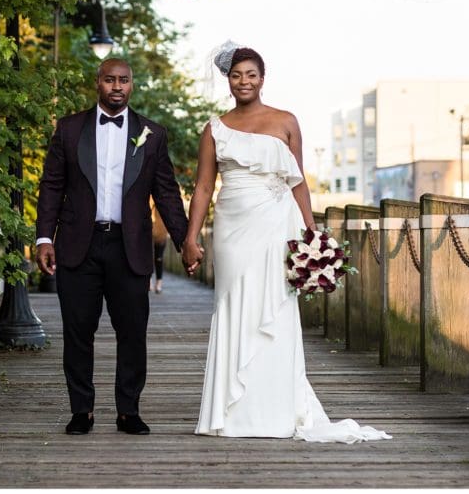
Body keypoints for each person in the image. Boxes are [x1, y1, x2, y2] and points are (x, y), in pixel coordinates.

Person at [184, 44, 391, 443]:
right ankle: (230, 412)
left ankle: (274, 411)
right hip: (233, 228)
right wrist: (192, 237)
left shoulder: (286, 121)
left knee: (275, 313)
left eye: (251, 74)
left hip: (277, 225)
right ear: (228, 80)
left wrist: (312, 237)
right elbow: (204, 186)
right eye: (236, 75)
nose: (244, 81)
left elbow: (298, 182)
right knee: (235, 308)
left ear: (263, 77)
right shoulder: (214, 128)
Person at [35, 58, 189, 436]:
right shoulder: (69, 130)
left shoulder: (152, 133)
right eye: (109, 80)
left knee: (133, 332)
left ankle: (128, 411)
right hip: (78, 244)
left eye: (123, 80)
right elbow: (52, 185)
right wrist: (43, 237)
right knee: (77, 331)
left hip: (129, 245)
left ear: (132, 85)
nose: (116, 86)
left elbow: (166, 193)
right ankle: (81, 410)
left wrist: (186, 240)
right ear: (98, 83)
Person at [150, 203, 168, 293]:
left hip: (160, 231)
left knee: (159, 258)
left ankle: (159, 282)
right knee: (148, 255)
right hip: (148, 230)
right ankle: (149, 280)